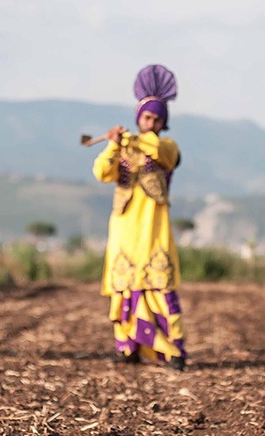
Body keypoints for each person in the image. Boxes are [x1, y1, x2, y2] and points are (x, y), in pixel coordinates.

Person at [92, 64, 186, 370]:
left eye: (158, 118)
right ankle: (126, 347)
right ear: (138, 116)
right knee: (124, 290)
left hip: (154, 230)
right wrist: (112, 145)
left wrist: (132, 138)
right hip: (124, 230)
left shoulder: (167, 146)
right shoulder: (122, 147)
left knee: (159, 289)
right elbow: (102, 172)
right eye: (147, 117)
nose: (152, 122)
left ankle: (171, 351)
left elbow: (162, 153)